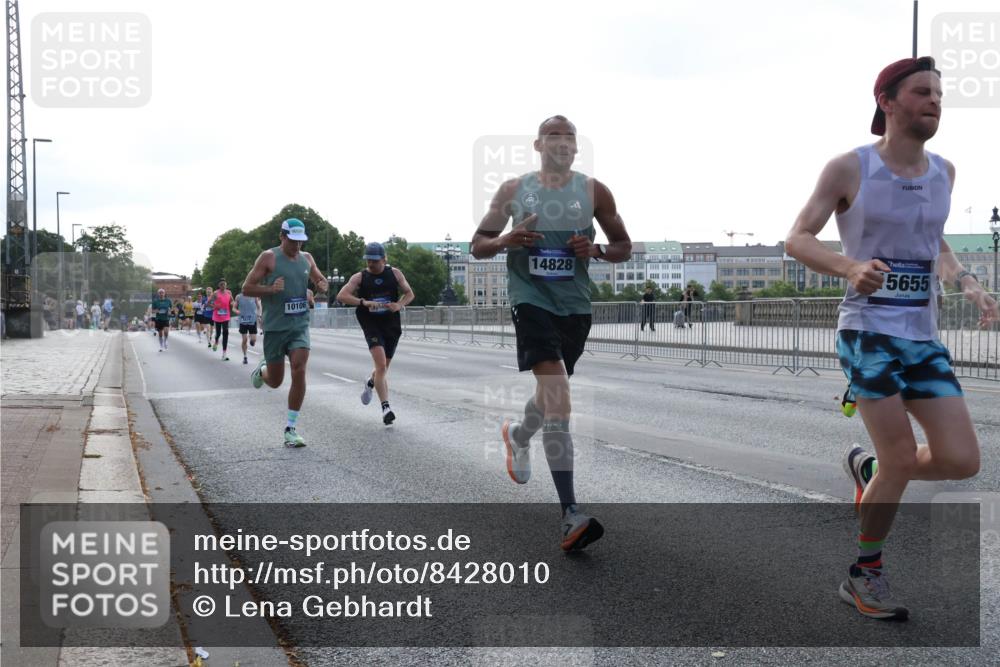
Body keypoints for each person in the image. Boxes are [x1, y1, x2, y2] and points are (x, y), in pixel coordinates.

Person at [785, 56, 999, 621]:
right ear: (887, 102)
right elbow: (798, 238)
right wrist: (848, 266)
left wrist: (971, 286)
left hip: (922, 337)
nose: (935, 102)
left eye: (939, 95)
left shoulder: (944, 173)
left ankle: (871, 472)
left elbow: (936, 243)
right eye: (923, 92)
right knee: (901, 457)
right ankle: (864, 572)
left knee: (961, 460)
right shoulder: (849, 168)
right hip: (868, 332)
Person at [471, 115, 632, 551]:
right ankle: (570, 515)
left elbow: (624, 245)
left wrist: (596, 249)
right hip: (531, 301)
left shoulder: (595, 191)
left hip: (575, 307)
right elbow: (478, 244)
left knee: (550, 394)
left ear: (576, 148)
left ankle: (518, 435)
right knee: (559, 397)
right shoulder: (513, 190)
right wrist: (508, 239)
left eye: (570, 137)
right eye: (554, 136)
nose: (562, 143)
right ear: (538, 145)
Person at [241, 218, 329, 447]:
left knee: (299, 369)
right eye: (293, 240)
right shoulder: (268, 257)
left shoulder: (307, 258)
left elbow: (320, 279)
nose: (297, 246)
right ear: (282, 236)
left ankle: (291, 428)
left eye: (300, 241)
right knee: (276, 381)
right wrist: (270, 289)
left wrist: (320, 286)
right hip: (275, 327)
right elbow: (246, 288)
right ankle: (262, 371)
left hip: (299, 325)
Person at [336, 242, 415, 425]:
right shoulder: (360, 277)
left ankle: (370, 383)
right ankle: (386, 408)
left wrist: (399, 305)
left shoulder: (395, 274)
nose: (371, 264)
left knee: (382, 368)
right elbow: (342, 295)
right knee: (380, 365)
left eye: (375, 261)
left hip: (391, 324)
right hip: (371, 323)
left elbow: (410, 294)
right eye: (368, 260)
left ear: (384, 259)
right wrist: (364, 302)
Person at [210, 279, 235, 360]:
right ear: (219, 285)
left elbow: (232, 301)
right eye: (221, 284)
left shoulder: (229, 292)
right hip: (217, 316)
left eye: (224, 284)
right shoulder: (215, 293)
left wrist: (232, 304)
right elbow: (209, 303)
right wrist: (215, 306)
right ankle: (216, 341)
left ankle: (224, 353)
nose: (223, 286)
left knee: (225, 332)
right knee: (218, 333)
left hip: (226, 316)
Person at [235, 290, 261, 365]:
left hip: (252, 320)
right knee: (244, 339)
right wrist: (237, 311)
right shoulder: (238, 297)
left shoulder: (254, 296)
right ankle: (245, 356)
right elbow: (234, 307)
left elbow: (258, 307)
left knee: (253, 340)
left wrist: (258, 315)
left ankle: (251, 339)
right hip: (243, 321)